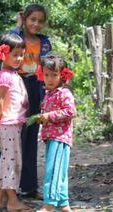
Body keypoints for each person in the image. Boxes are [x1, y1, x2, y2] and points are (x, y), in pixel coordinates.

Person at [0, 4, 52, 199]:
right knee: (10, 138)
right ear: (24, 19)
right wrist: (17, 25)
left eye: (40, 20)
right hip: (14, 88)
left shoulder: (45, 43)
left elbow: (48, 67)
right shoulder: (16, 37)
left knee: (30, 138)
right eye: (32, 19)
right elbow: (5, 42)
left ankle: (28, 187)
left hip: (35, 90)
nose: (36, 24)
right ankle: (3, 188)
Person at [0, 33, 32, 211]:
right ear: (3, 54)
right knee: (12, 162)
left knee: (8, 160)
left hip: (13, 124)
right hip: (8, 124)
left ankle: (2, 199)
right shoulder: (6, 76)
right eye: (15, 54)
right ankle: (13, 201)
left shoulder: (13, 74)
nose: (19, 58)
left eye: (21, 54)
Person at [35, 53, 76, 212]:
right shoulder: (50, 93)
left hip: (60, 138)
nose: (50, 79)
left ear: (62, 75)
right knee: (59, 172)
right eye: (46, 75)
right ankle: (64, 204)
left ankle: (49, 204)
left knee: (53, 172)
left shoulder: (64, 93)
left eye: (54, 75)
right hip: (53, 137)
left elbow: (70, 111)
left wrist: (49, 116)